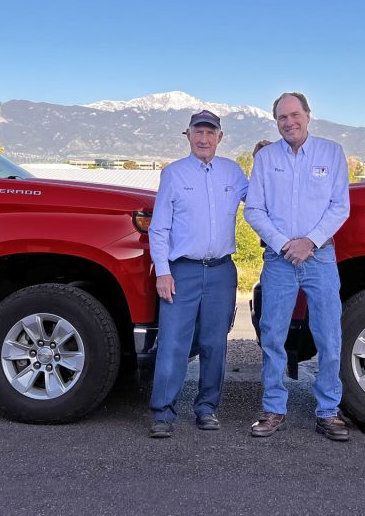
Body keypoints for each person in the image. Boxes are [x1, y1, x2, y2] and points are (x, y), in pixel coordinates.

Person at [244, 92, 351, 441]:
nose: (289, 122)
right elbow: (254, 209)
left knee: (329, 336)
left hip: (319, 257)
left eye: (294, 115)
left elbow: (340, 207)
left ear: (308, 115)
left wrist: (310, 241)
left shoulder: (331, 153)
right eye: (281, 118)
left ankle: (328, 412)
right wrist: (283, 243)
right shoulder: (265, 158)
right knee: (273, 335)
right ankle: (274, 409)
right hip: (279, 259)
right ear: (276, 122)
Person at [147, 110, 249, 438]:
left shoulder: (233, 173)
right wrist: (163, 272)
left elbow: (262, 201)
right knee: (173, 343)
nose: (204, 139)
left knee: (214, 344)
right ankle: (163, 413)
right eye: (198, 132)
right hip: (182, 271)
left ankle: (207, 408)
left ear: (220, 137)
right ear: (188, 135)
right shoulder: (173, 174)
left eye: (211, 133)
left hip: (221, 271)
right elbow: (159, 228)